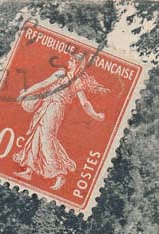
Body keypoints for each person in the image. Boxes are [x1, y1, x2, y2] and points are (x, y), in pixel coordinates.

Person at [12, 52, 107, 191]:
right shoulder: (65, 75)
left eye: (70, 61)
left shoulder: (75, 81)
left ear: (75, 63)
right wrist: (26, 93)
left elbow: (84, 103)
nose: (68, 63)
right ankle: (29, 170)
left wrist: (96, 115)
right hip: (47, 105)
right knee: (37, 135)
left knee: (46, 139)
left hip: (55, 109)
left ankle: (59, 174)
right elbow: (43, 84)